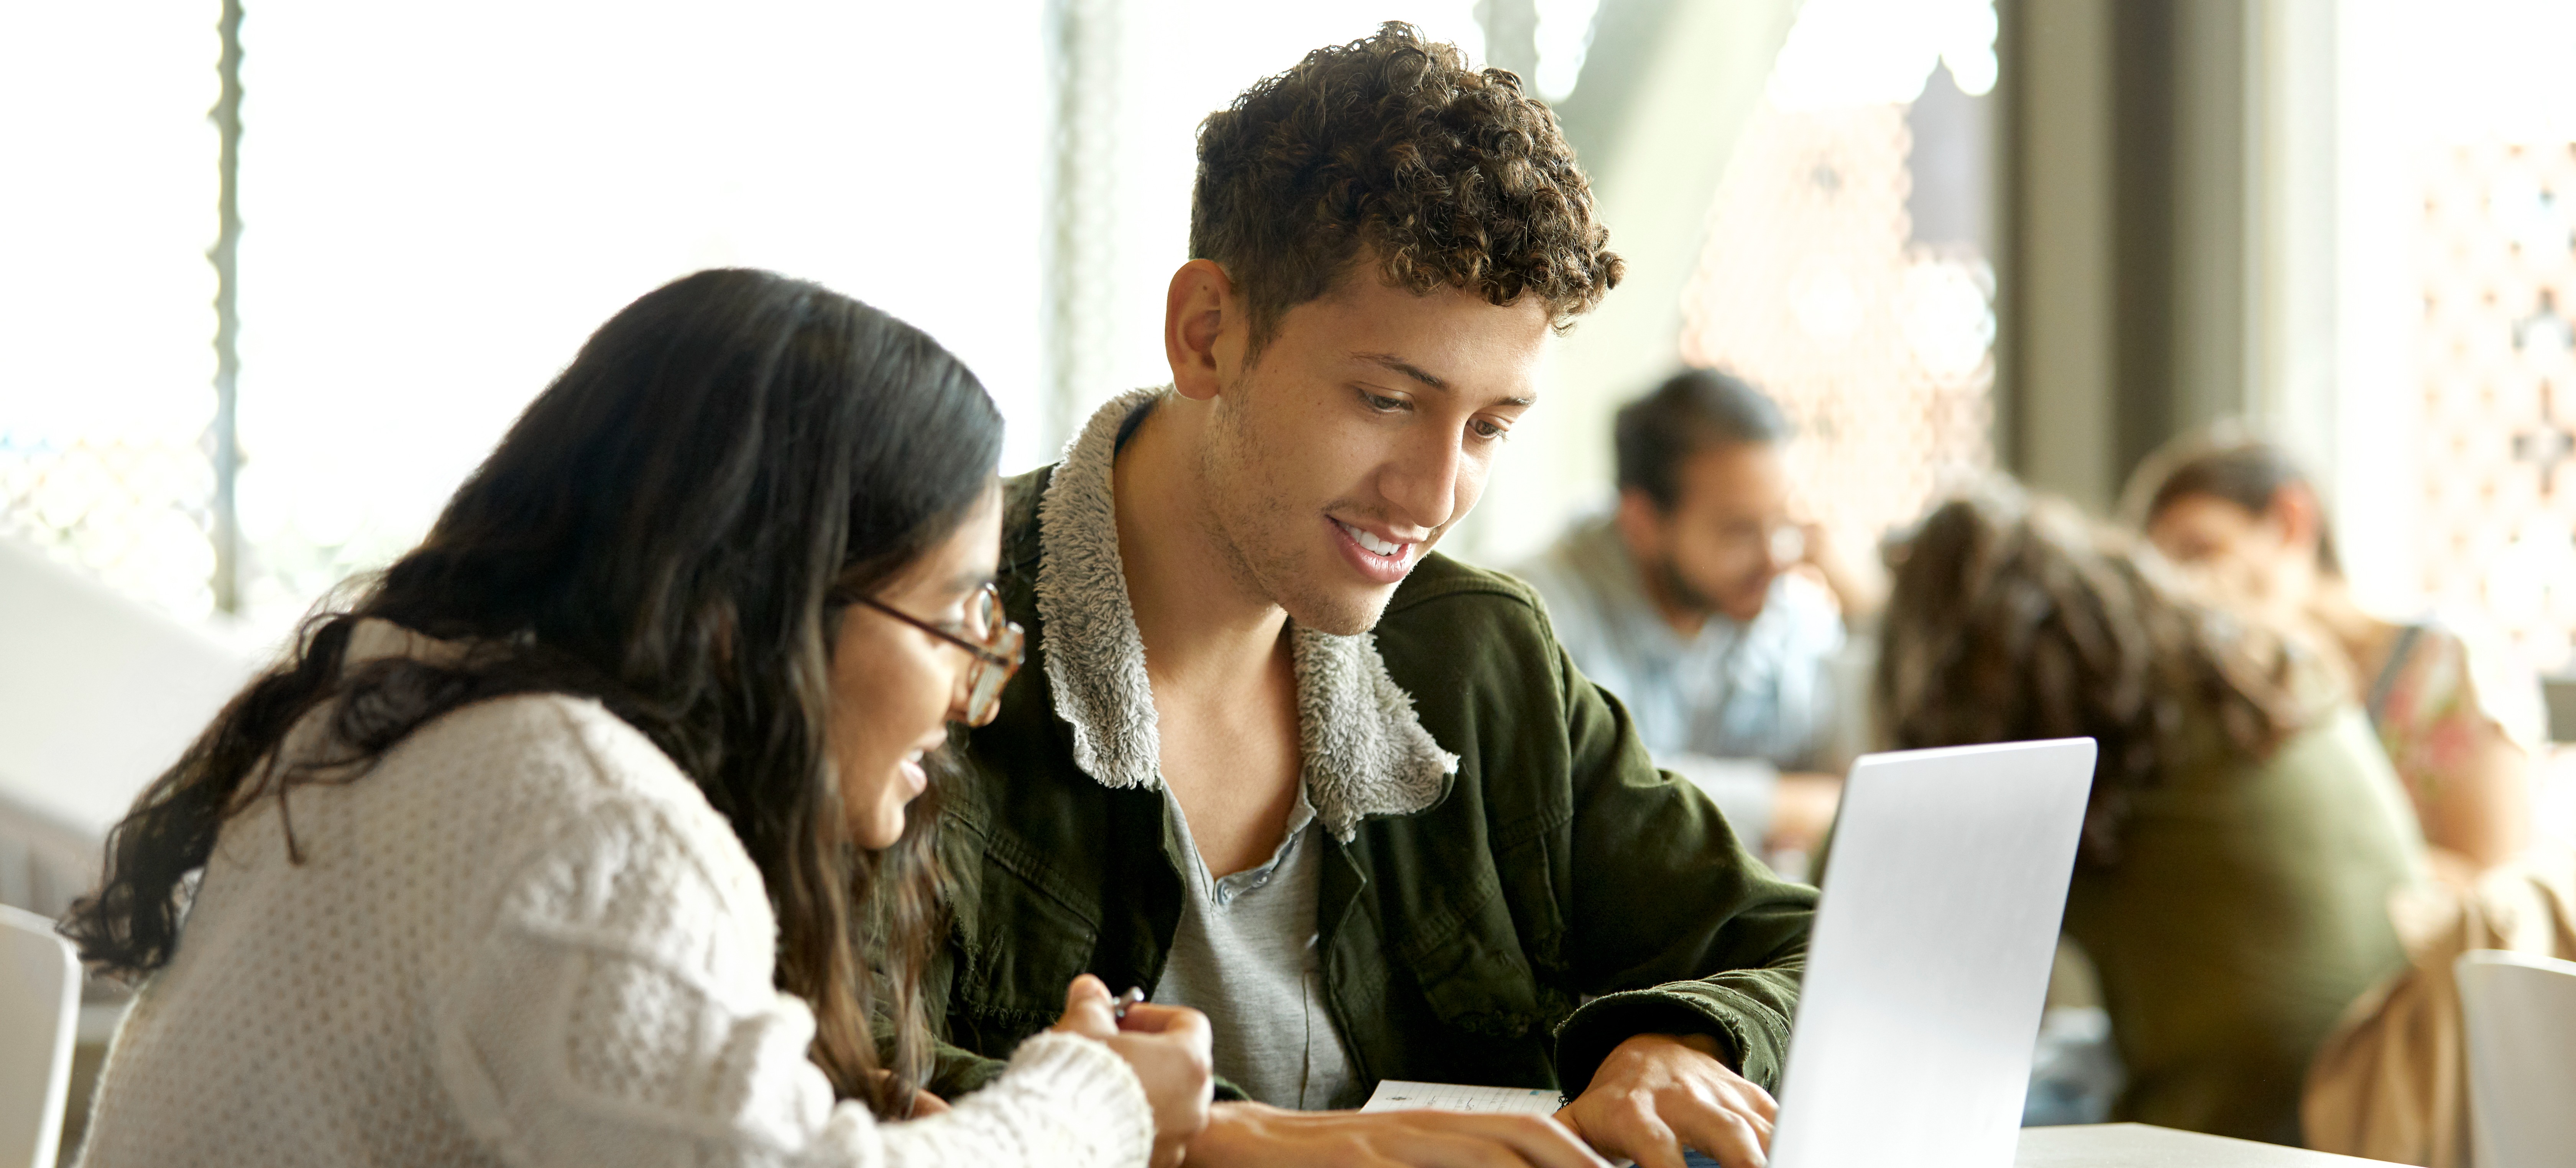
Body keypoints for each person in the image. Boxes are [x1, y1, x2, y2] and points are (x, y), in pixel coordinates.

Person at [62, 269, 1212, 1168]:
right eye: (954, 615)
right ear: (747, 607)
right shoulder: (585, 812)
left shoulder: (406, 709)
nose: (973, 683)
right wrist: (1096, 1101)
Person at [922, 25, 1812, 1168]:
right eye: (1388, 400)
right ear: (1207, 335)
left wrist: (1681, 1040)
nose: (1436, 494)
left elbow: (1802, 945)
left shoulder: (1476, 658)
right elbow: (829, 1065)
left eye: (1489, 427)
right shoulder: (920, 622)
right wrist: (1264, 1145)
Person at [1873, 480, 2426, 1144]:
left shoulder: (2089, 722)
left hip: (2238, 1129)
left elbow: (1885, 944)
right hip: (2382, 1093)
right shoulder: (2248, 671)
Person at [2126, 433, 2543, 881]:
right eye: (2168, 577)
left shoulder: (2454, 660)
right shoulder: (2248, 691)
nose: (2190, 590)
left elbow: (2496, 892)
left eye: (2201, 551)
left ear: (2292, 520)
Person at [1516, 369, 1871, 860]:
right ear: (1643, 522)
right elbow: (1594, 791)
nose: (1777, 557)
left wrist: (1868, 614)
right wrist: (1781, 805)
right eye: (1739, 531)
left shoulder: (1779, 604)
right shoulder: (1537, 612)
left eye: (1782, 520)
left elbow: (1861, 775)